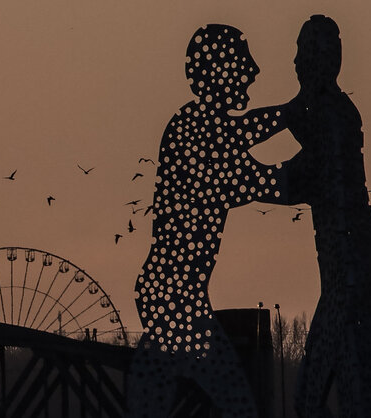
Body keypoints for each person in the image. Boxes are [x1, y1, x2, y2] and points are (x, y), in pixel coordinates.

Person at [127, 24, 287, 418]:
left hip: (168, 294)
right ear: (221, 70)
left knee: (155, 399)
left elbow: (244, 131)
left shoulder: (194, 126)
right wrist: (313, 155)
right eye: (243, 62)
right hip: (177, 298)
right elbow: (261, 179)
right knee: (238, 402)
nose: (253, 71)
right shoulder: (195, 131)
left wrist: (293, 113)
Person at [282, 15, 371, 418]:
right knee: (347, 395)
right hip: (351, 271)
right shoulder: (335, 113)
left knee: (320, 396)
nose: (293, 62)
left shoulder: (329, 118)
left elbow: (294, 177)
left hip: (348, 276)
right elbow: (289, 118)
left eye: (299, 52)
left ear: (315, 60)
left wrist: (224, 173)